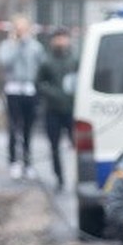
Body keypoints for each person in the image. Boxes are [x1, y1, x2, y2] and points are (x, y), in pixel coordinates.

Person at [0, 14, 46, 181]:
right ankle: (13, 162)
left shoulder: (35, 47)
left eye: (24, 28)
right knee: (13, 127)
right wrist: (17, 46)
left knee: (27, 129)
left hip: (29, 90)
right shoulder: (7, 45)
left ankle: (27, 162)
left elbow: (41, 65)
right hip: (13, 89)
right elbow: (4, 62)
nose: (22, 31)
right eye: (19, 28)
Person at [36, 27, 79, 191]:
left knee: (77, 146)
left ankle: (78, 178)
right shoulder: (46, 61)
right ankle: (59, 177)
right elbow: (39, 83)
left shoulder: (75, 60)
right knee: (54, 146)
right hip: (52, 110)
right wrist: (53, 93)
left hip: (71, 110)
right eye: (58, 38)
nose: (61, 41)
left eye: (63, 38)